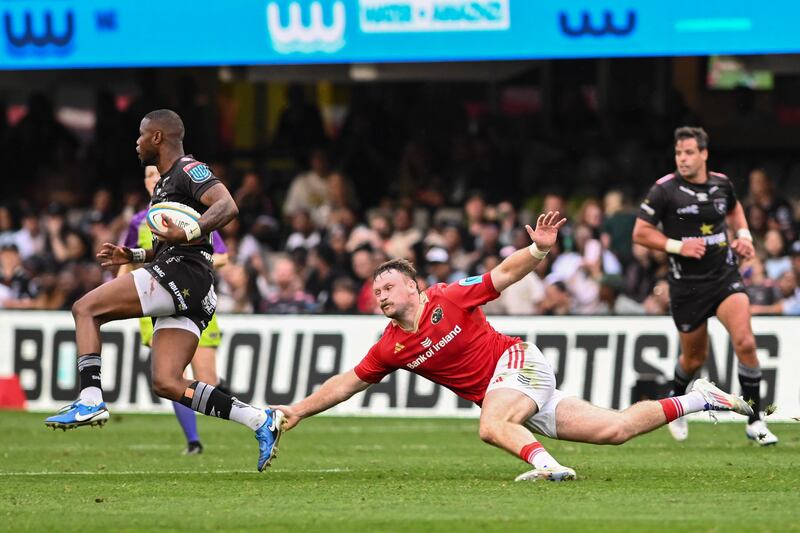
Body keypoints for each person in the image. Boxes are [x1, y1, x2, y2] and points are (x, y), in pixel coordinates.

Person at [272, 212, 754, 482]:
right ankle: (701, 397)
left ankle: (550, 469)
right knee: (616, 429)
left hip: (518, 363)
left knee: (490, 425)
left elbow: (502, 274)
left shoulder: (448, 297)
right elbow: (346, 384)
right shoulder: (392, 346)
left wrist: (539, 250)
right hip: (514, 393)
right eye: (376, 292)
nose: (380, 296)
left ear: (415, 288)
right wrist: (296, 411)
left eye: (389, 287)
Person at [44, 109, 285, 472]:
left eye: (141, 135)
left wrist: (188, 233)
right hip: (189, 281)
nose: (136, 142)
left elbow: (227, 205)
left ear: (157, 137)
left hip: (182, 275)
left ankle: (90, 398)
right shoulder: (162, 184)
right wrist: (134, 254)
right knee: (167, 382)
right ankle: (258, 420)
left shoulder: (189, 170)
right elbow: (172, 243)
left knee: (85, 309)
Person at [632, 126, 777, 445]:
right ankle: (676, 401)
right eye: (678, 153)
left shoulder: (721, 184)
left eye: (688, 153)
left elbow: (736, 210)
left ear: (703, 154)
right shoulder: (664, 190)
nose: (682, 159)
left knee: (746, 343)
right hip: (687, 288)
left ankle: (755, 419)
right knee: (694, 360)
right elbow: (640, 232)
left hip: (724, 278)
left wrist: (744, 237)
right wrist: (677, 246)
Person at [118, 164, 231, 455]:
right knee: (169, 375)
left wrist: (186, 259)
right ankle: (193, 441)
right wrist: (117, 290)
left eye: (157, 175)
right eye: (147, 176)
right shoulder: (139, 222)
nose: (153, 180)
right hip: (154, 303)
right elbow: (128, 262)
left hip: (193, 296)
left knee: (207, 379)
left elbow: (223, 257)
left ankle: (226, 395)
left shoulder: (191, 214)